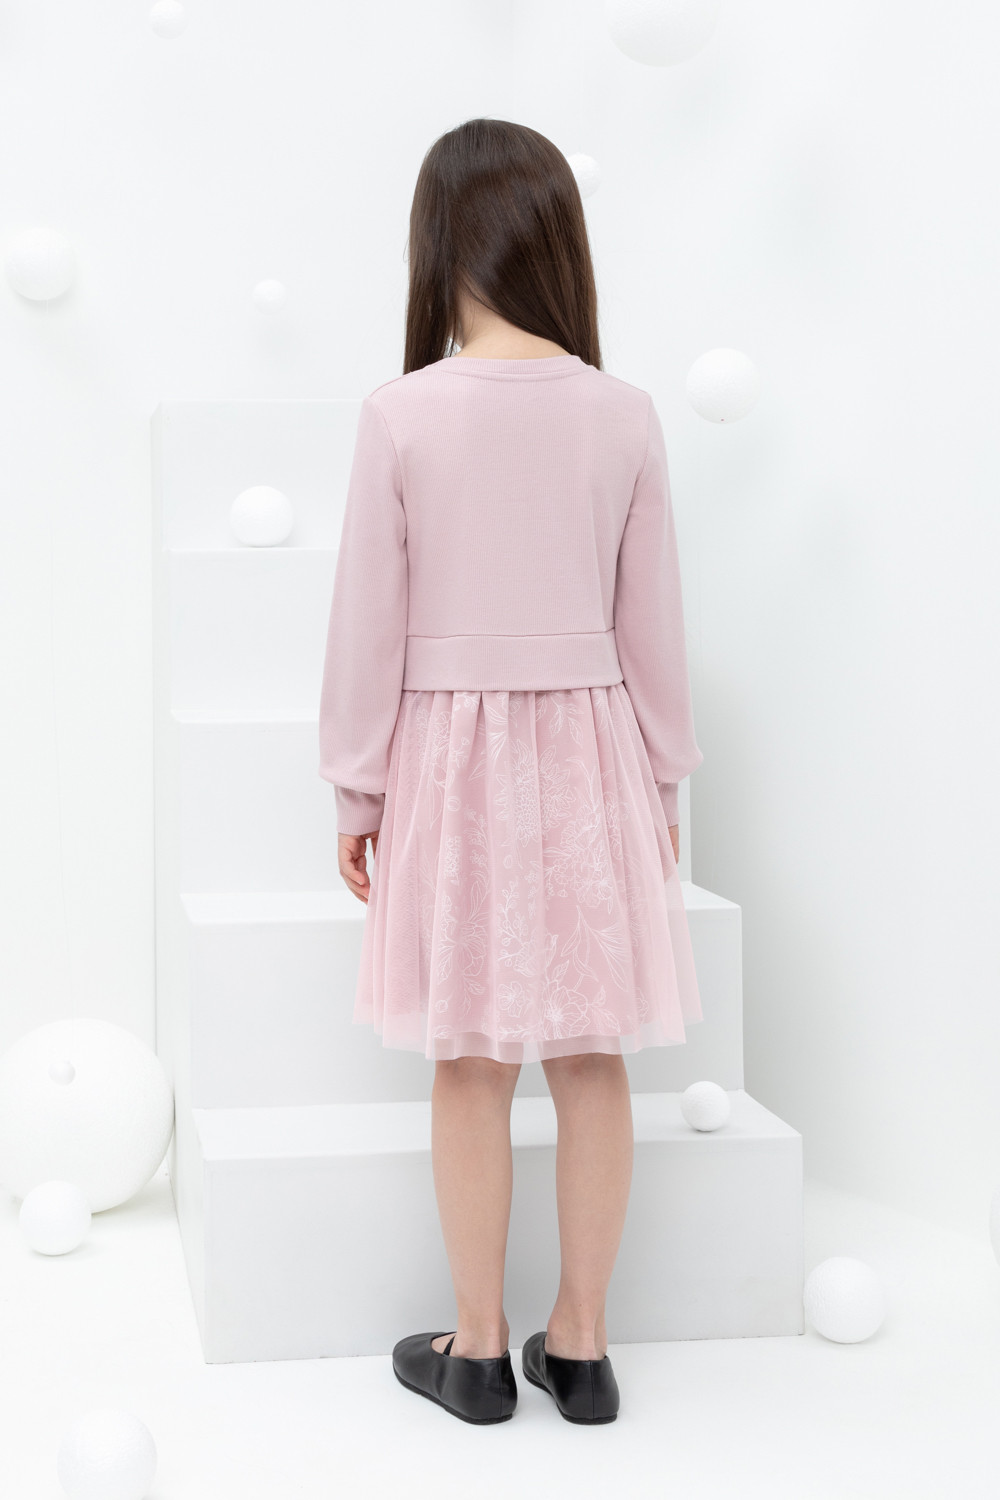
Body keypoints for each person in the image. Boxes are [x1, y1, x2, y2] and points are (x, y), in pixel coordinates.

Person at [318, 117, 704, 1426]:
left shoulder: (401, 415)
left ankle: (478, 1349)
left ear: (437, 245)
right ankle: (580, 1347)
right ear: (557, 244)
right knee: (591, 1055)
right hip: (593, 758)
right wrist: (659, 788)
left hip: (452, 765)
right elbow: (654, 629)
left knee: (470, 1060)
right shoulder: (623, 414)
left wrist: (359, 791)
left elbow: (367, 626)